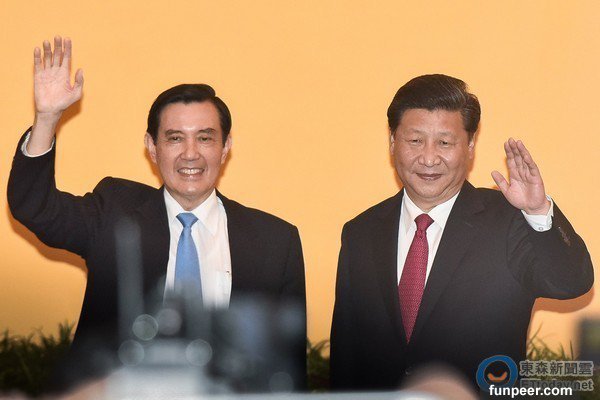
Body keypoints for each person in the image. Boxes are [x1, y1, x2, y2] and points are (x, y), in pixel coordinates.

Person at [8, 37, 306, 393]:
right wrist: (47, 119)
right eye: (175, 138)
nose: (191, 154)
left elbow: (289, 370)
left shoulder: (275, 242)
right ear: (152, 147)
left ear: (225, 147)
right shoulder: (115, 214)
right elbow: (35, 207)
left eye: (205, 138)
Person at [329, 74, 593, 392]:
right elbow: (346, 354)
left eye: (444, 143)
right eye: (415, 141)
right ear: (392, 142)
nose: (429, 158)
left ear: (469, 146)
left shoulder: (508, 220)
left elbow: (570, 283)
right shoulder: (360, 232)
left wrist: (537, 211)